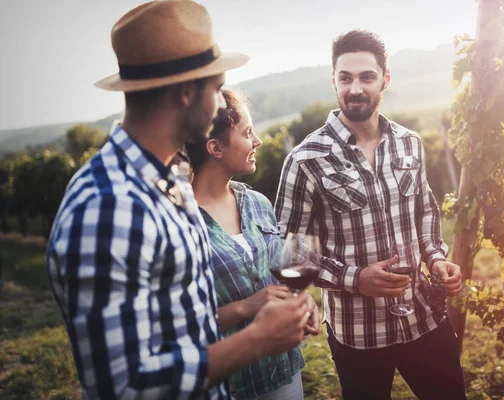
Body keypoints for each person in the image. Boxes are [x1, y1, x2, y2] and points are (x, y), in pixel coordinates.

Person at [46, 2, 310, 399]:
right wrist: (255, 340)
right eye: (218, 88)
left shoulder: (171, 178)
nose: (223, 104)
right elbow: (121, 387)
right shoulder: (106, 207)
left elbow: (186, 322)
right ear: (187, 91)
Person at [274, 30, 467, 399]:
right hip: (358, 335)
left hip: (424, 317)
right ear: (334, 81)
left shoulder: (409, 143)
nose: (355, 88)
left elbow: (424, 212)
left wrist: (437, 258)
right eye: (345, 78)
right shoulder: (305, 159)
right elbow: (287, 249)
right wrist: (354, 278)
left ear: (385, 79)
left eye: (366, 76)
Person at [186, 89, 319, 400]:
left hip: (283, 370)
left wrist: (299, 301)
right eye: (247, 132)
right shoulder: (180, 224)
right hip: (230, 384)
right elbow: (180, 326)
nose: (257, 140)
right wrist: (244, 307)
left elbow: (277, 279)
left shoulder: (257, 203)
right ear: (215, 147)